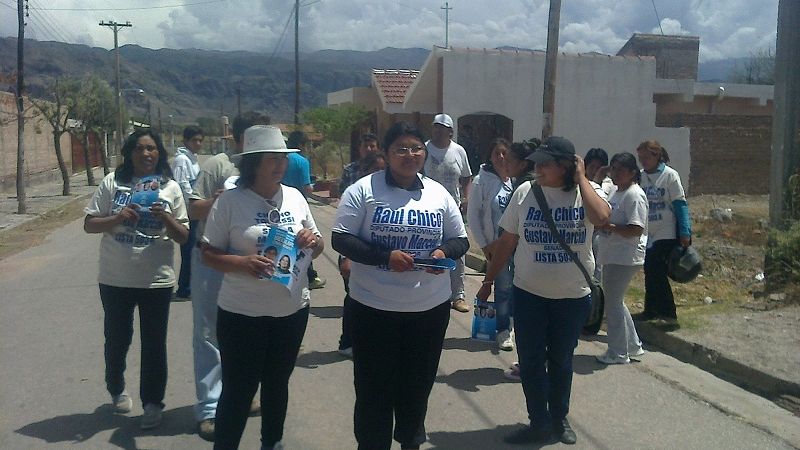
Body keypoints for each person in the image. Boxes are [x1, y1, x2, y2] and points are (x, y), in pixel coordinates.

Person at [332, 122, 469, 450]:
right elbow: (341, 239)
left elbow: (460, 240)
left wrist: (442, 251)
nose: (410, 155)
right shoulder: (364, 190)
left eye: (416, 149)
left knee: (417, 387)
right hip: (373, 309)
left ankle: (411, 440)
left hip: (429, 312)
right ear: (387, 152)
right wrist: (384, 256)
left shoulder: (438, 194)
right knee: (373, 389)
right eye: (401, 149)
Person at [477, 136, 610, 445]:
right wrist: (488, 280)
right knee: (533, 361)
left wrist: (582, 178)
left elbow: (603, 218)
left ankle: (559, 419)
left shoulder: (587, 194)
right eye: (536, 161)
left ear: (565, 167)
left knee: (562, 360)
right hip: (529, 295)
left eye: (546, 163)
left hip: (572, 297)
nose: (538, 167)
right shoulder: (526, 192)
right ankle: (538, 421)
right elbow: (507, 241)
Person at [202, 125, 324, 450]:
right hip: (242, 314)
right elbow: (208, 253)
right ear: (254, 162)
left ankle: (273, 441)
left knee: (277, 384)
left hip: (291, 311)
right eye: (272, 159)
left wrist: (312, 242)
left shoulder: (295, 197)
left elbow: (317, 245)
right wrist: (241, 264)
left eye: (283, 158)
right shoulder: (230, 202)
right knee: (239, 390)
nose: (280, 165)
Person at [83, 129, 189, 430]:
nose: (146, 154)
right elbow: (89, 224)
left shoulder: (170, 188)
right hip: (115, 278)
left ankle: (153, 403)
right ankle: (116, 387)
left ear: (160, 154)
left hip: (157, 280)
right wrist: (117, 218)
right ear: (130, 153)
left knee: (155, 344)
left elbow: (183, 236)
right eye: (140, 149)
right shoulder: (112, 182)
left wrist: (165, 216)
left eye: (152, 149)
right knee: (117, 338)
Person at [188, 112, 269, 441]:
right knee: (209, 331)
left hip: (252, 263)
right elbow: (192, 209)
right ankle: (209, 407)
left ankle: (241, 392)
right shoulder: (217, 166)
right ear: (238, 139)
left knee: (247, 330)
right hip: (213, 260)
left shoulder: (265, 167)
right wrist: (215, 201)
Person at [595, 152, 647, 364]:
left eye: (621, 170)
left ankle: (618, 352)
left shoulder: (634, 195)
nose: (616, 173)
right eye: (613, 168)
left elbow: (636, 228)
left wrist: (610, 227)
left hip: (625, 257)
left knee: (613, 304)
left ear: (632, 173)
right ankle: (633, 346)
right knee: (617, 301)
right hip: (613, 254)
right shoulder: (617, 192)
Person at [635, 140, 692, 327]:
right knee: (650, 272)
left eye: (646, 157)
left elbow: (680, 204)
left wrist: (685, 232)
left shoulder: (669, 176)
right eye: (640, 158)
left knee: (657, 272)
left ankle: (668, 313)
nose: (643, 161)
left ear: (656, 156)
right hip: (647, 233)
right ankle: (651, 310)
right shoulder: (640, 177)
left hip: (665, 232)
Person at [466, 138, 514, 351]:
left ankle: (515, 324)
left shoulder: (516, 180)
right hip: (496, 245)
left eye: (505, 153)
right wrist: (484, 245)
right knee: (502, 287)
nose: (501, 157)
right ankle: (503, 330)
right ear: (490, 156)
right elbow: (473, 216)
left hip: (519, 244)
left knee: (519, 287)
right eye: (497, 153)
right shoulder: (482, 180)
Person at [336, 134, 381, 358]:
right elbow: (346, 229)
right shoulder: (356, 187)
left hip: (375, 255)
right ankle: (348, 341)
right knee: (354, 298)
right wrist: (347, 257)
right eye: (367, 145)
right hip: (354, 251)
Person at [497, 139, 538, 381]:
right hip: (533, 260)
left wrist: (490, 276)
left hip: (526, 262)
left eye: (510, 159)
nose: (504, 162)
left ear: (523, 163)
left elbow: (510, 234)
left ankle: (529, 367)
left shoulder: (525, 187)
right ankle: (530, 363)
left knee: (527, 321)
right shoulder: (528, 182)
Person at [424, 113, 472, 313]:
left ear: (450, 131)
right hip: (428, 208)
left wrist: (466, 199)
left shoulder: (458, 151)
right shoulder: (424, 149)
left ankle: (458, 295)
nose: (438, 130)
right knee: (429, 249)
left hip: (452, 209)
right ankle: (428, 293)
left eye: (442, 127)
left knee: (457, 252)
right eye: (435, 126)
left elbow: (467, 177)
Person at [282, 130, 327, 290]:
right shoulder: (302, 161)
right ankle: (308, 276)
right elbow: (307, 188)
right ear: (301, 145)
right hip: (298, 206)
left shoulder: (282, 159)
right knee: (306, 242)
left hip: (278, 204)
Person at [171, 125, 203, 300]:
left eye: (200, 140)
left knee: (194, 250)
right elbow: (181, 185)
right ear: (185, 141)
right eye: (194, 140)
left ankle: (190, 285)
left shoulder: (193, 159)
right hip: (187, 211)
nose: (198, 144)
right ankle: (184, 288)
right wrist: (194, 204)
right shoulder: (182, 160)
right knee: (189, 250)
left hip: (194, 211)